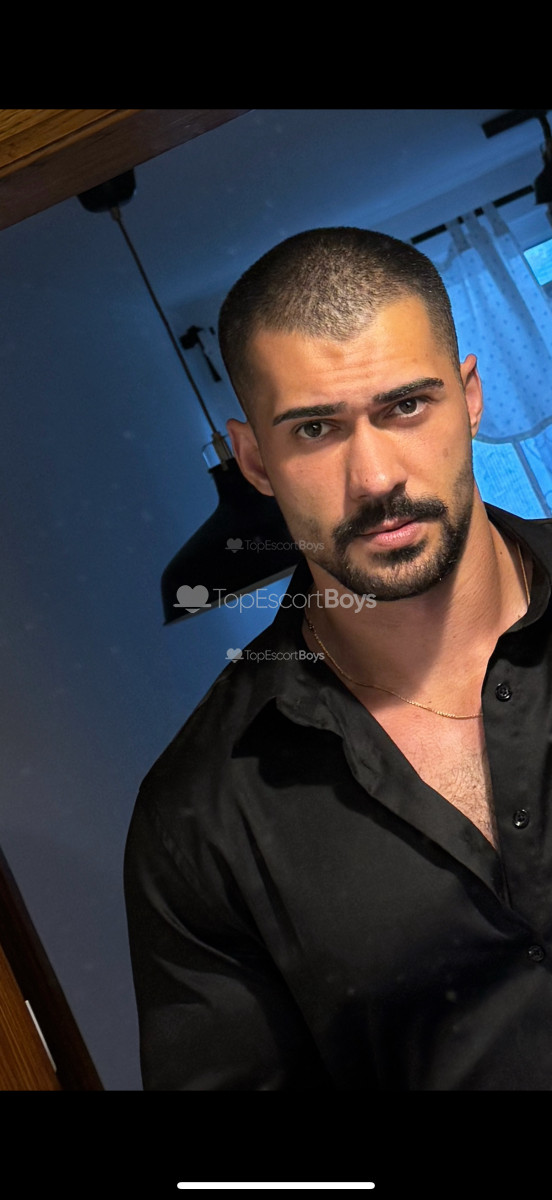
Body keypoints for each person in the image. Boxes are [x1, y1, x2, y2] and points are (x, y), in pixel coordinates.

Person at [124, 226, 552, 1091]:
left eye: (407, 406)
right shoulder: (200, 819)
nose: (375, 477)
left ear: (470, 397)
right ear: (254, 459)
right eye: (316, 428)